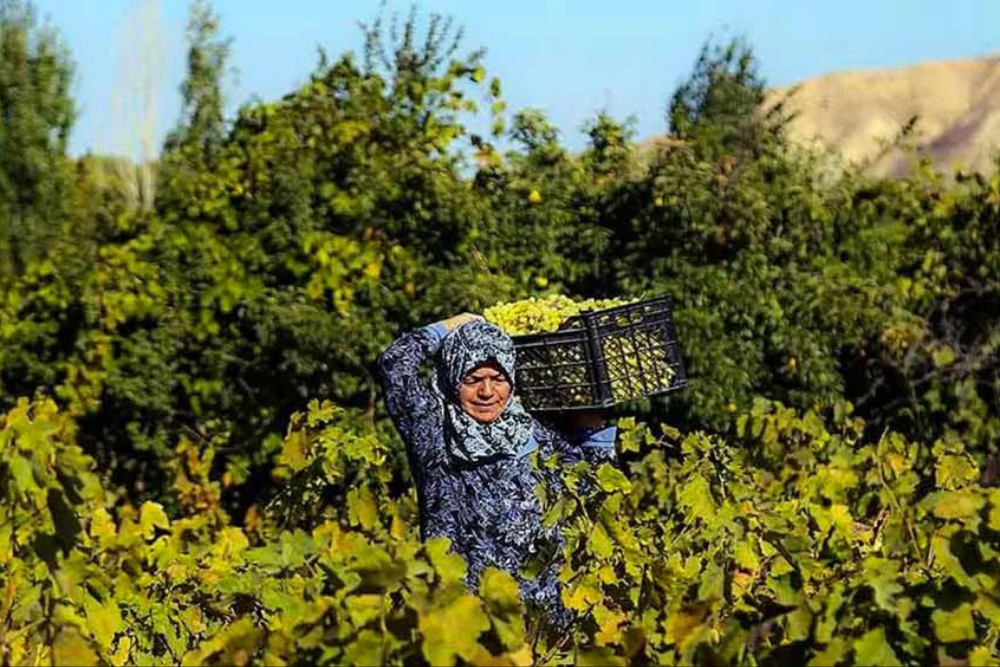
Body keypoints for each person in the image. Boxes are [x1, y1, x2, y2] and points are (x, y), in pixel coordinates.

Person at [376, 312, 618, 628]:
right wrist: (450, 326)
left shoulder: (534, 431)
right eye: (473, 380)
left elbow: (590, 489)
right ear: (451, 379)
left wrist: (595, 428)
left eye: (498, 379)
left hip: (544, 616)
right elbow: (395, 364)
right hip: (467, 616)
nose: (487, 392)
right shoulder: (433, 431)